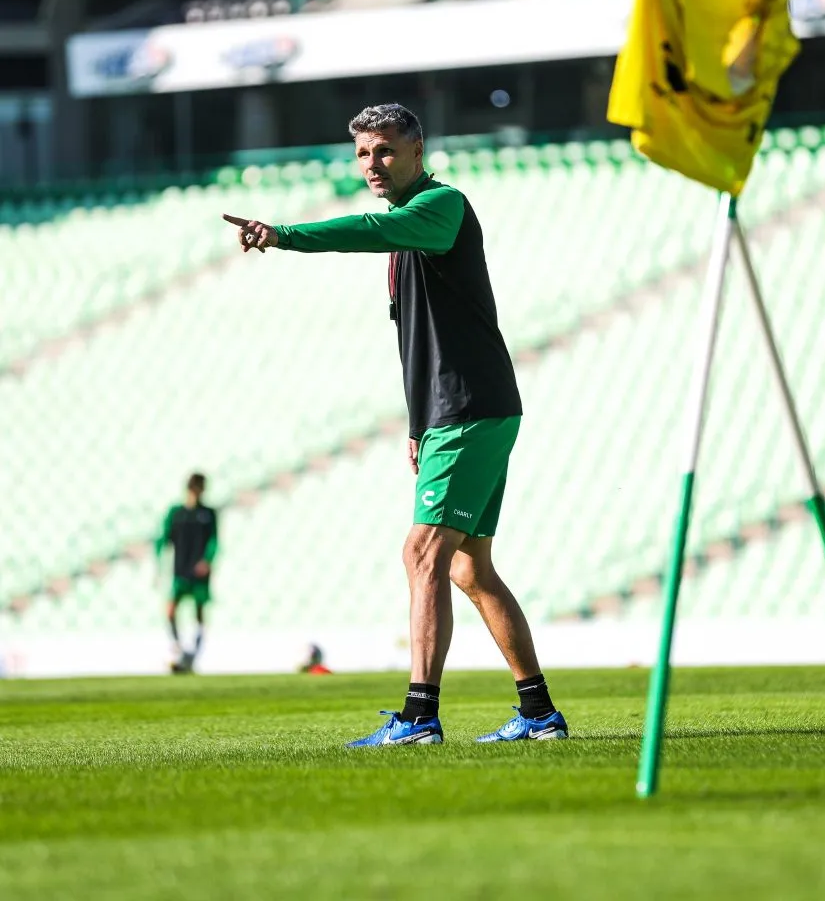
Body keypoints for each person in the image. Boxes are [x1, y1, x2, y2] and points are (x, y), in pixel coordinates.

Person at [223, 103, 567, 745]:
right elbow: (420, 339)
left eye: (383, 150)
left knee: (422, 553)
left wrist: (285, 234)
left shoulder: (442, 207)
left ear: (417, 150)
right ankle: (539, 713)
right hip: (458, 409)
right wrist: (418, 423)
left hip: (470, 407)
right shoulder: (412, 229)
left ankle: (419, 717)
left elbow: (368, 230)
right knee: (467, 569)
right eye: (361, 153)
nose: (371, 164)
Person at [155, 472, 219, 673]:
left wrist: (207, 560)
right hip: (180, 570)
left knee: (199, 612)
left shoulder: (208, 514)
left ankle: (195, 654)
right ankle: (177, 648)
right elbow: (163, 538)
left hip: (199, 573)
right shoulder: (176, 513)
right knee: (171, 609)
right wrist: (158, 563)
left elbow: (214, 541)